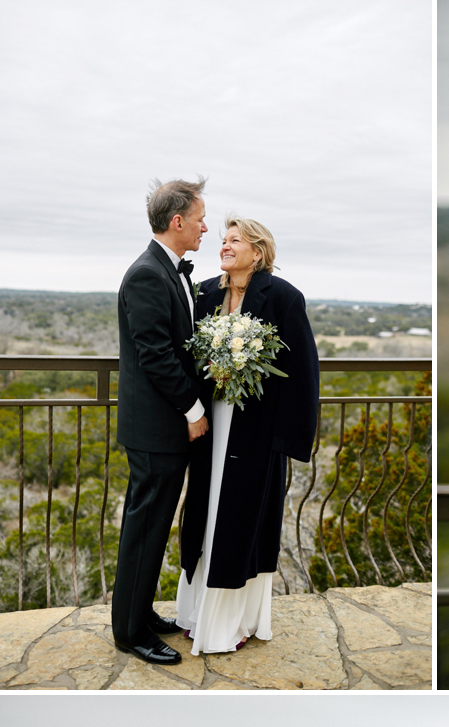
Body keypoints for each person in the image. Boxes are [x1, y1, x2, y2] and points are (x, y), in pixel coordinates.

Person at [176, 214, 321, 653]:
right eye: (222, 239)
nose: (224, 245)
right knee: (206, 512)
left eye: (234, 240)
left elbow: (303, 373)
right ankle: (196, 613)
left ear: (257, 252)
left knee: (241, 520)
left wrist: (286, 441)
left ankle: (231, 623)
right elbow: (186, 359)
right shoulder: (204, 294)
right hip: (209, 423)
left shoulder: (282, 297)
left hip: (256, 435)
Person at [110, 177, 211, 665]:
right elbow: (155, 354)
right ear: (177, 222)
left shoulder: (171, 271)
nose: (204, 227)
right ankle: (129, 632)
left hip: (162, 428)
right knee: (145, 528)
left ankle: (140, 612)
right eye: (199, 219)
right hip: (157, 429)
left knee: (153, 527)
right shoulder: (149, 273)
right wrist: (193, 411)